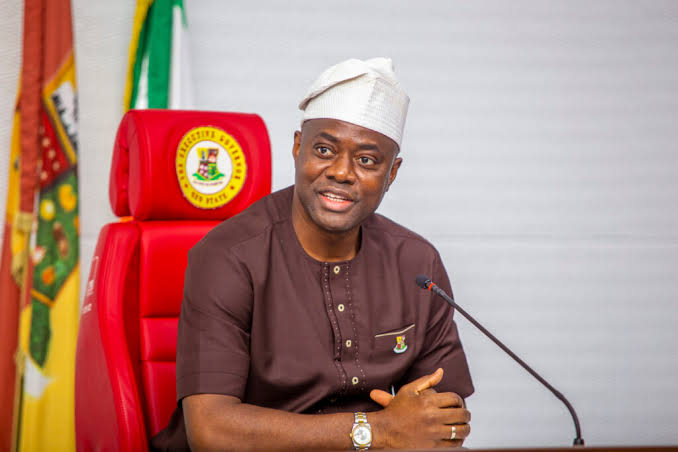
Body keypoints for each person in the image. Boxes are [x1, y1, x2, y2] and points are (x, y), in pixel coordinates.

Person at [152, 57, 474, 451]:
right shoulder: (228, 256)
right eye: (324, 149)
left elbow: (442, 418)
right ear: (297, 148)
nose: (341, 172)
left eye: (367, 160)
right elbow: (211, 431)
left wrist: (435, 426)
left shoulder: (417, 264)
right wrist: (377, 430)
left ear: (392, 173)